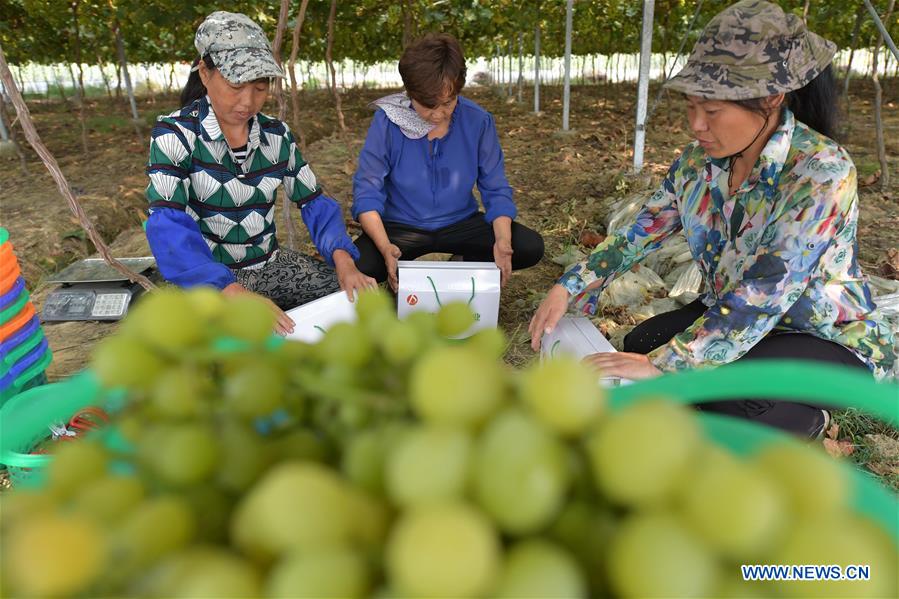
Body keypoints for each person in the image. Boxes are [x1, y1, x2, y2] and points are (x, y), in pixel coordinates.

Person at [529, 0, 896, 438]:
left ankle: (805, 420)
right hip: (740, 319)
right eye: (691, 108)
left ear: (771, 99)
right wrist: (568, 286)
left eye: (713, 111)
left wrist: (668, 364)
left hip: (821, 335)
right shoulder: (698, 164)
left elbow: (765, 291)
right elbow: (639, 232)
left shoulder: (821, 172)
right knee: (640, 343)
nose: (697, 126)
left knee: (707, 382)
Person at [145, 11, 374, 335]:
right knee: (199, 351)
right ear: (205, 73)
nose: (247, 101)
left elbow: (314, 203)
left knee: (353, 304)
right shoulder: (176, 134)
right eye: (236, 85)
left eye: (260, 87)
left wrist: (343, 259)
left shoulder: (276, 135)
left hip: (270, 266)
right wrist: (230, 291)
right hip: (207, 280)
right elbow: (167, 225)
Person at [352, 33, 544, 291]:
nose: (438, 114)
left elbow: (495, 188)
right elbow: (367, 191)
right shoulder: (388, 122)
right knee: (357, 264)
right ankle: (400, 265)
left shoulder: (478, 121)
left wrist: (502, 241)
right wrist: (386, 247)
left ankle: (463, 263)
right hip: (401, 226)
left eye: (448, 102)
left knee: (528, 246)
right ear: (410, 93)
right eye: (428, 105)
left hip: (460, 223)